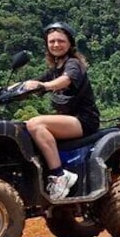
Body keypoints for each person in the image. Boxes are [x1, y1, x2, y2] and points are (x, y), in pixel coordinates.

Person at [22, 22, 101, 200]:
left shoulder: (73, 64)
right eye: (52, 42)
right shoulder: (55, 69)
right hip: (68, 120)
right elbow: (32, 83)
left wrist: (44, 86)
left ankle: (59, 175)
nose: (56, 45)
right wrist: (2, 92)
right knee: (22, 128)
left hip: (84, 120)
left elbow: (64, 81)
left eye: (60, 41)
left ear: (70, 43)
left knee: (35, 123)